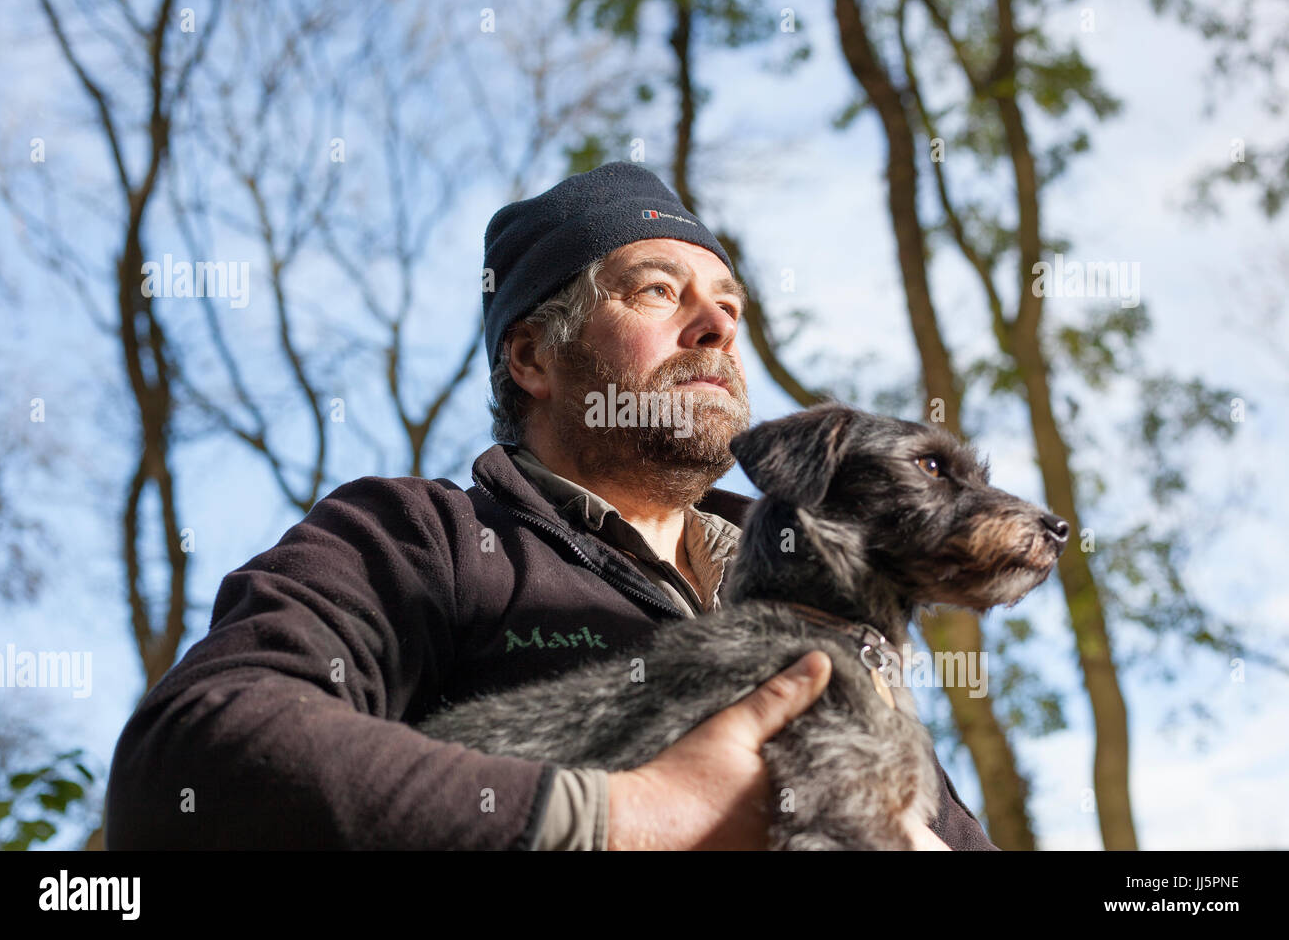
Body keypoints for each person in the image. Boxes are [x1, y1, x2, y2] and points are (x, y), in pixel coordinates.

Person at [104, 161, 992, 850]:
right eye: (656, 290)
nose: (717, 326)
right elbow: (194, 756)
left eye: (729, 305)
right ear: (532, 356)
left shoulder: (826, 599)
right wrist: (619, 817)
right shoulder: (425, 537)